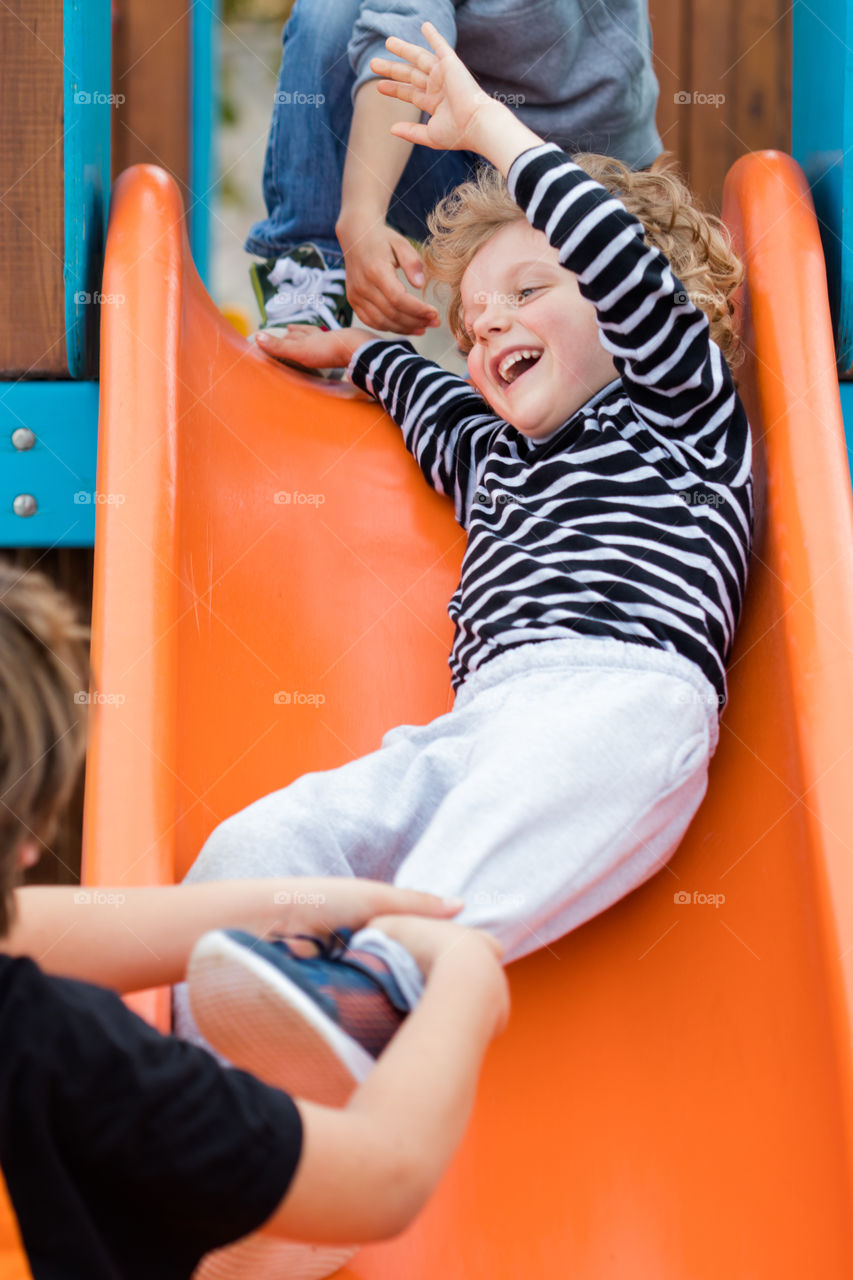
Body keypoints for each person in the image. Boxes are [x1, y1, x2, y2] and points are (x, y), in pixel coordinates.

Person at [175, 23, 753, 1113]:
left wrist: (487, 125)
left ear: (639, 305)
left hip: (622, 699)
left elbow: (619, 266)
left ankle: (390, 977)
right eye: (479, 322)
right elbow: (427, 393)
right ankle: (230, 1115)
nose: (489, 328)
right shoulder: (498, 455)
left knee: (520, 804)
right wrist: (360, 351)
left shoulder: (682, 409)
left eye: (529, 292)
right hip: (477, 722)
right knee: (265, 837)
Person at [0, 560, 509, 1280]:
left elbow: (46, 927)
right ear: (29, 838)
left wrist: (297, 903)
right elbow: (379, 1179)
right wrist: (464, 979)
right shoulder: (56, 1047)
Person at [246, 0, 662, 350]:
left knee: (592, 324)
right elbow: (400, 30)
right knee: (331, 10)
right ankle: (312, 269)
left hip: (585, 163)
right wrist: (361, 215)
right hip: (457, 152)